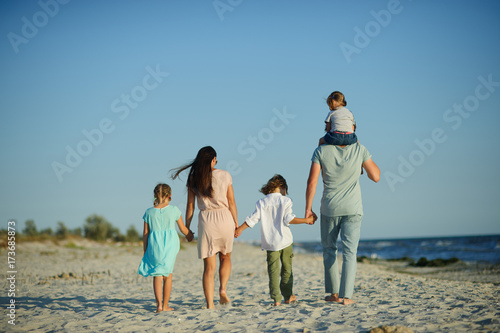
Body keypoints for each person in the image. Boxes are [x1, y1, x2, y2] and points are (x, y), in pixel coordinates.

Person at [305, 140, 380, 305]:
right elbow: (375, 176)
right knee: (350, 252)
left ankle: (334, 294)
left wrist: (308, 209)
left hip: (330, 208)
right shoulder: (359, 149)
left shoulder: (321, 151)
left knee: (329, 249)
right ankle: (347, 297)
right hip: (353, 208)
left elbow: (312, 182)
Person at [171, 146, 239, 309]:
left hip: (207, 221)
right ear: (213, 159)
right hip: (225, 218)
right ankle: (222, 290)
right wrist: (236, 224)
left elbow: (190, 206)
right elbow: (231, 202)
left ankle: (210, 304)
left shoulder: (194, 178)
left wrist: (187, 228)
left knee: (209, 267)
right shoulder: (225, 175)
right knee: (225, 257)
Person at [235, 174, 317, 306]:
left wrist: (239, 229)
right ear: (282, 187)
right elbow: (288, 219)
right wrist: (307, 220)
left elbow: (252, 219)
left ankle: (276, 299)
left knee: (273, 271)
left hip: (270, 243)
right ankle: (287, 296)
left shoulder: (261, 202)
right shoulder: (286, 201)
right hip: (285, 241)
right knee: (287, 269)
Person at [137, 183, 194, 313]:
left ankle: (159, 306)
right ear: (169, 196)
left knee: (157, 273)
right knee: (167, 274)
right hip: (170, 244)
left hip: (154, 244)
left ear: (155, 196)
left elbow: (146, 234)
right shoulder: (174, 210)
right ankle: (166, 304)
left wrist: (145, 250)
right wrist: (190, 236)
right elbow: (183, 228)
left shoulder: (149, 212)